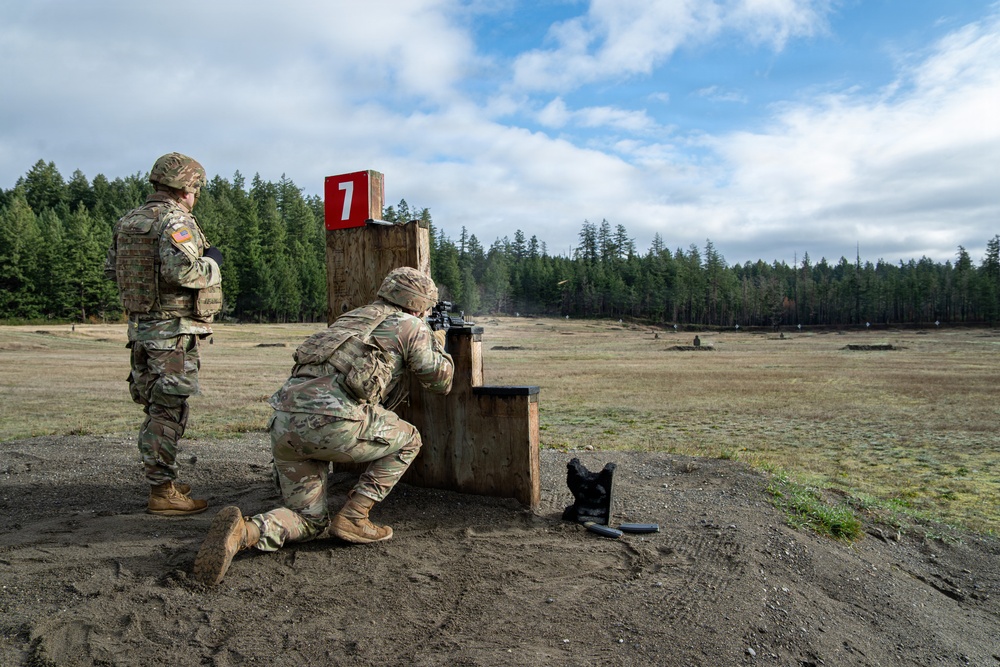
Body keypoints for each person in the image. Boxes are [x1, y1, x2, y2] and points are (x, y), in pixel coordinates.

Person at [194, 266, 454, 586]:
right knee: (410, 438)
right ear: (419, 306)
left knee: (309, 522)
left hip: (284, 425)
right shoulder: (411, 325)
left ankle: (243, 532)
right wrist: (437, 341)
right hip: (332, 425)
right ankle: (355, 517)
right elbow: (440, 381)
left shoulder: (350, 320)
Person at [104, 152, 223, 516]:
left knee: (157, 406)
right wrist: (213, 263)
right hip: (170, 333)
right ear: (186, 187)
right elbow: (183, 273)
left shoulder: (130, 221)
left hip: (142, 330)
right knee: (168, 411)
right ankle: (162, 491)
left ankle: (163, 480)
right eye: (195, 189)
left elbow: (113, 271)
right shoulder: (174, 221)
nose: (196, 195)